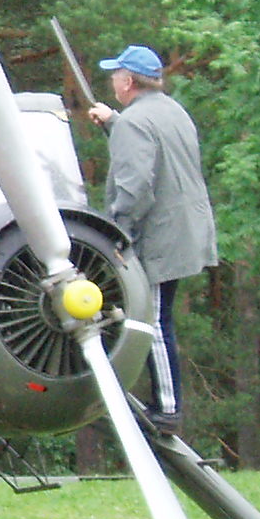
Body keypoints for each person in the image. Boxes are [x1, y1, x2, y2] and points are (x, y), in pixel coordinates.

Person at [87, 43, 216, 430]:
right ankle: (164, 402)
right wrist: (113, 122)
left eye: (115, 75)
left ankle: (167, 410)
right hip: (186, 231)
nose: (112, 81)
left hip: (160, 239)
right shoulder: (171, 111)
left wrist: (114, 234)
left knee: (154, 321)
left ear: (127, 81)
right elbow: (153, 148)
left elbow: (136, 189)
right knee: (157, 317)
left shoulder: (134, 123)